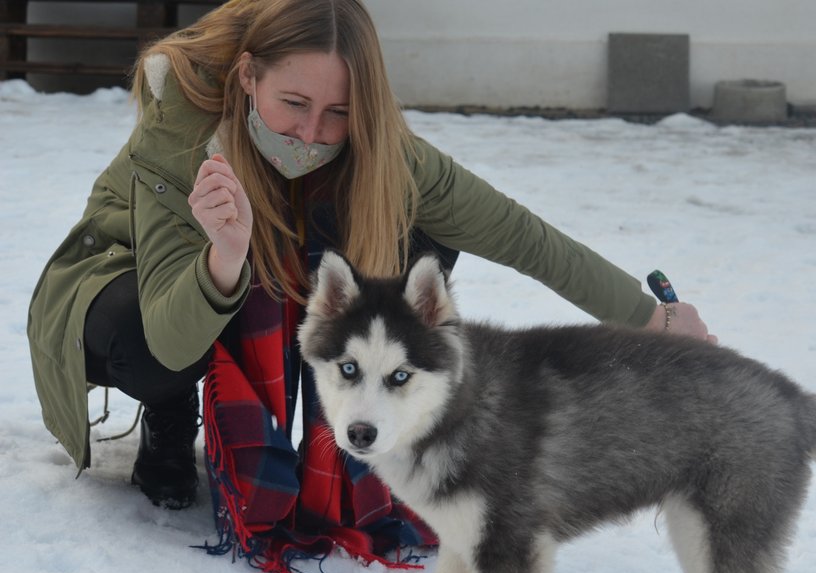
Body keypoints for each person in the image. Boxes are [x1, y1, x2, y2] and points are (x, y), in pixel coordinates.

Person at [27, 0, 714, 516]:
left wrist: (650, 323)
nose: (311, 132)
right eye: (293, 103)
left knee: (421, 240)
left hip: (277, 275)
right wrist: (224, 255)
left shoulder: (387, 152)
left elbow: (522, 237)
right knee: (154, 348)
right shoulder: (181, 134)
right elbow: (171, 331)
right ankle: (172, 418)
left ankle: (346, 447)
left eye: (338, 112)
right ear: (246, 77)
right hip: (130, 282)